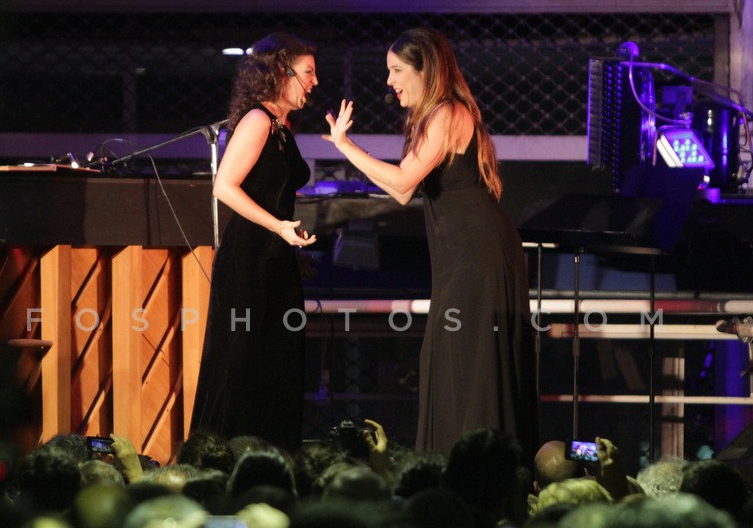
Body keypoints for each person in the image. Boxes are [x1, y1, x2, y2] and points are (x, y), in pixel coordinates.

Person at [323, 27, 537, 461]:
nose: (389, 81)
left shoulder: (446, 113)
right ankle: (459, 465)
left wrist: (345, 146)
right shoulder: (430, 117)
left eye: (397, 70)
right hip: (464, 254)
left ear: (427, 71)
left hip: (479, 254)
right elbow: (403, 192)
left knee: (470, 358)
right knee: (453, 355)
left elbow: (402, 181)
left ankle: (480, 468)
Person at [190, 32, 318, 452]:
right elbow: (224, 186)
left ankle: (271, 458)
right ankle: (224, 460)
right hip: (250, 256)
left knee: (277, 361)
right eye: (308, 73)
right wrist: (278, 225)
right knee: (243, 362)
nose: (314, 82)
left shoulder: (283, 127)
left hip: (276, 256)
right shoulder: (258, 120)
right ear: (281, 72)